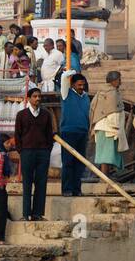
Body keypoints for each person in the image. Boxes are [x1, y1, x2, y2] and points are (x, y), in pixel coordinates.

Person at [14, 87, 55, 222]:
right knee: (27, 183)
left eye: (39, 96)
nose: (38, 99)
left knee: (41, 183)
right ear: (29, 98)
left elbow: (50, 133)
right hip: (27, 152)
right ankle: (26, 214)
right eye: (35, 96)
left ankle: (37, 213)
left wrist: (47, 150)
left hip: (43, 152)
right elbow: (17, 135)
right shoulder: (22, 115)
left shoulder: (46, 114)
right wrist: (21, 150)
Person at [57, 73, 90, 197]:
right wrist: (71, 71)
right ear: (72, 85)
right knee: (68, 162)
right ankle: (67, 189)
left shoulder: (86, 97)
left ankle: (77, 189)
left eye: (83, 85)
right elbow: (64, 78)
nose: (82, 87)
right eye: (79, 84)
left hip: (82, 132)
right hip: (68, 132)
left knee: (80, 163)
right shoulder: (66, 94)